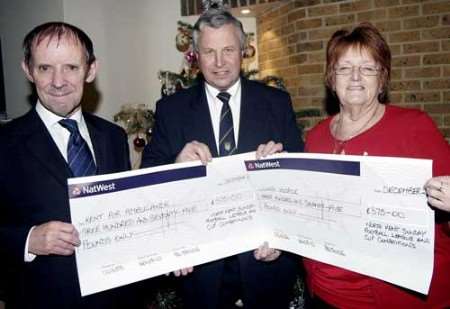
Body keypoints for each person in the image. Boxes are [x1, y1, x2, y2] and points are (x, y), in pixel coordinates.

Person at [141, 7, 303, 309]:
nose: (219, 62)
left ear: (243, 51)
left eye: (228, 50)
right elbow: (147, 178)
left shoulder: (276, 103)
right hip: (201, 275)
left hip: (266, 266)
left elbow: (301, 181)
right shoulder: (171, 110)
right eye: (209, 51)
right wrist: (176, 163)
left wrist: (281, 165)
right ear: (195, 57)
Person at [303, 22, 450, 308]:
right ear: (331, 79)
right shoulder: (316, 136)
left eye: (368, 68)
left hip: (394, 298)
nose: (355, 77)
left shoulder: (414, 128)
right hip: (323, 293)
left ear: (382, 79)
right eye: (344, 68)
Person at [0, 22, 142, 308]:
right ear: (28, 70)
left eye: (71, 68)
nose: (58, 81)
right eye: (45, 68)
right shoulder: (5, 143)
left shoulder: (113, 137)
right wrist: (29, 240)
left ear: (90, 70)